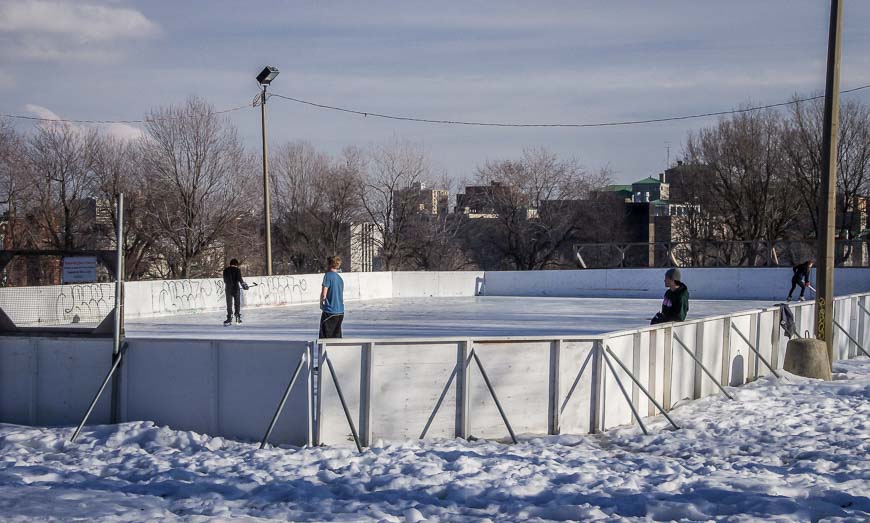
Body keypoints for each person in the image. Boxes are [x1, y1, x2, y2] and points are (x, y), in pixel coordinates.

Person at [319, 255, 345, 338]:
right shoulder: (340, 279)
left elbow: (324, 294)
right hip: (340, 312)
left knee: (325, 339)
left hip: (330, 312)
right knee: (336, 339)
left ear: (330, 264)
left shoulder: (328, 276)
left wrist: (321, 304)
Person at [222, 258, 248, 325]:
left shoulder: (225, 270)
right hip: (236, 289)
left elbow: (225, 280)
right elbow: (240, 279)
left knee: (229, 304)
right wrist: (244, 285)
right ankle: (237, 318)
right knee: (237, 304)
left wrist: (230, 284)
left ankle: (229, 318)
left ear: (230, 264)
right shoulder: (237, 270)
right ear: (236, 264)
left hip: (228, 289)